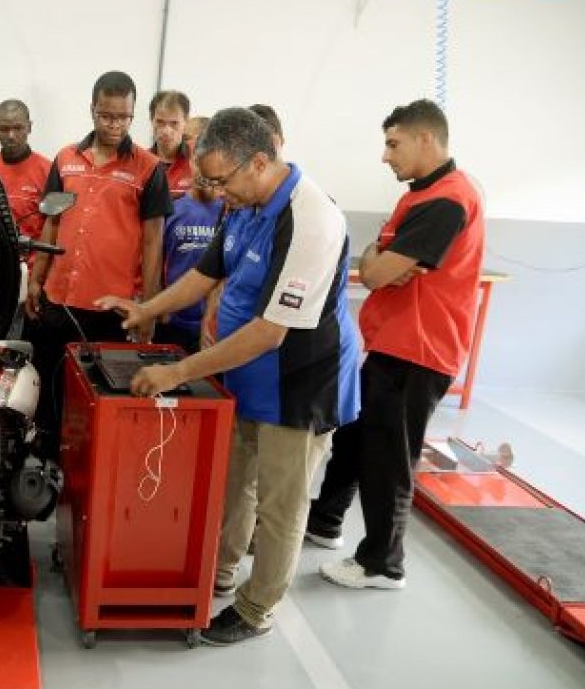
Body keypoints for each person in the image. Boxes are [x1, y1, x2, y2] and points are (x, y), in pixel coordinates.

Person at [97, 107, 359, 647]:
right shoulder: (241, 202)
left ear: (259, 162)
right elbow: (203, 273)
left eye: (220, 180)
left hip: (298, 381)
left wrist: (177, 371)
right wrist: (147, 309)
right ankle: (217, 570)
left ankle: (257, 607)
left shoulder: (312, 218)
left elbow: (270, 333)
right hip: (240, 371)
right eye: (206, 180)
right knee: (233, 481)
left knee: (279, 505)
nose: (213, 191)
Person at [309, 99, 484, 590]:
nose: (386, 157)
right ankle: (326, 521)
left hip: (419, 351)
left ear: (426, 138)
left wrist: (380, 258)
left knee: (388, 457)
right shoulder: (420, 195)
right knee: (354, 436)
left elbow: (380, 269)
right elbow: (378, 263)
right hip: (392, 345)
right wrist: (380, 258)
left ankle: (382, 564)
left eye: (393, 144)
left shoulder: (447, 199)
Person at [25, 70, 171, 459]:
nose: (115, 125)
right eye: (107, 116)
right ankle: (45, 460)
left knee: (98, 394)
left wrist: (148, 310)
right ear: (92, 110)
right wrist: (37, 279)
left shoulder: (149, 168)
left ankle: (86, 464)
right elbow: (50, 221)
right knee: (49, 388)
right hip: (59, 297)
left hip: (108, 307)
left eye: (124, 117)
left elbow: (154, 241)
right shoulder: (66, 159)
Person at [155, 161, 223, 353]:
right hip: (173, 320)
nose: (204, 172)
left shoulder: (229, 211)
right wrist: (160, 308)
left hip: (211, 324)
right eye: (198, 163)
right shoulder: (172, 209)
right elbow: (155, 263)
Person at [0, 99, 53, 244]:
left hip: (32, 263)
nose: (11, 135)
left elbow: (55, 230)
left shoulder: (49, 172)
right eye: (4, 129)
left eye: (18, 128)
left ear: (29, 127)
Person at [148, 89, 193, 198]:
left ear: (186, 122)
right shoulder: (141, 162)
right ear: (151, 120)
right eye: (160, 122)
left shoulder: (198, 162)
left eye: (174, 123)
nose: (166, 131)